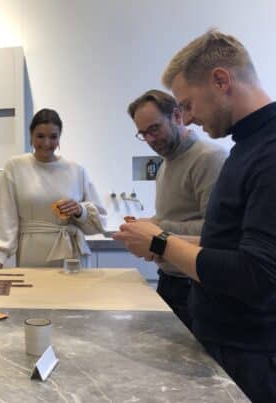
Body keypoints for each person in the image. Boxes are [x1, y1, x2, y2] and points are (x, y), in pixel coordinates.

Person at [114, 29, 276, 402]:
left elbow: (257, 275)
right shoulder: (246, 147)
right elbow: (224, 243)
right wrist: (157, 240)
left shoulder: (268, 153)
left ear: (221, 80)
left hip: (250, 355)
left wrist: (160, 241)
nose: (188, 117)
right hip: (229, 343)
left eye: (187, 104)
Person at [127, 89, 226, 329]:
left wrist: (156, 230)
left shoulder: (209, 158)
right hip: (171, 279)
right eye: (143, 134)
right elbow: (173, 217)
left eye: (155, 129)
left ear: (177, 116)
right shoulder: (166, 163)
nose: (150, 139)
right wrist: (146, 226)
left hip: (196, 286)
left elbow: (218, 233)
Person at [0, 108, 106, 270]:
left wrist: (80, 210)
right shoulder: (15, 166)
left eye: (53, 137)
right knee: (34, 286)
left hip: (70, 255)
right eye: (40, 136)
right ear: (31, 135)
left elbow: (99, 220)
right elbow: (5, 212)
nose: (46, 143)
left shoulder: (77, 170)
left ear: (59, 137)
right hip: (32, 252)